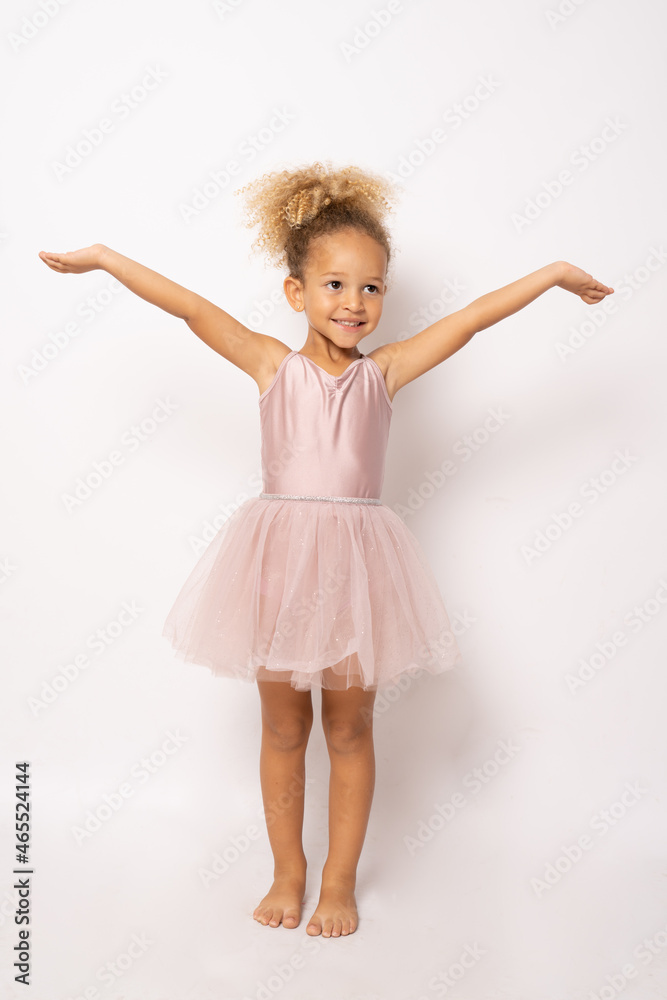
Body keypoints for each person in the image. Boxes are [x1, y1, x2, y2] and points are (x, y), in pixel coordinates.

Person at [38, 160, 614, 939]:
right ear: (295, 292)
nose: (353, 302)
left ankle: (338, 882)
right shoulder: (270, 366)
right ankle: (287, 872)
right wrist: (105, 258)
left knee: (347, 729)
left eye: (371, 287)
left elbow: (473, 318)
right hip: (276, 567)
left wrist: (549, 275)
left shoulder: (385, 374)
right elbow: (189, 309)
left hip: (357, 571)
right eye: (335, 285)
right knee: (282, 727)